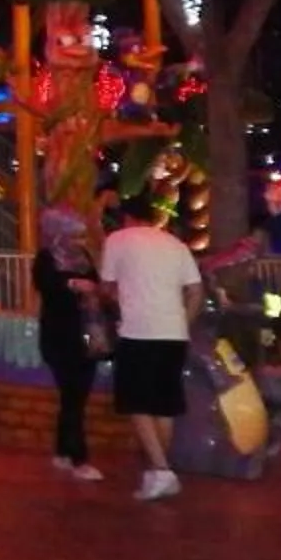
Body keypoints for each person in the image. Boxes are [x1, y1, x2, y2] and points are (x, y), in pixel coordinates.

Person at [97, 197, 202, 501]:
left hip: (139, 332)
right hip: (174, 334)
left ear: (126, 218)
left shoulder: (118, 240)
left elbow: (106, 286)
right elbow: (196, 290)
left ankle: (161, 470)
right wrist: (184, 320)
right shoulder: (175, 245)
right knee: (163, 404)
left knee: (135, 402)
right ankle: (159, 471)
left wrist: (112, 296)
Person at [31, 206, 105, 481]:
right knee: (73, 395)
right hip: (61, 337)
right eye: (74, 235)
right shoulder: (46, 258)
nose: (79, 241)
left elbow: (96, 283)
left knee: (75, 397)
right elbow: (48, 285)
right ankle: (79, 458)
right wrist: (73, 285)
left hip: (87, 334)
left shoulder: (83, 258)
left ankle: (63, 451)